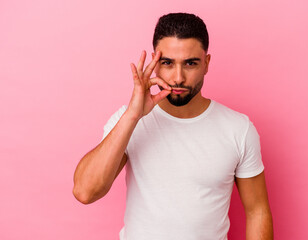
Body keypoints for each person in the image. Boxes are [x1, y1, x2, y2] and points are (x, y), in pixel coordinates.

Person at [73, 12, 273, 240]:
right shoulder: (129, 120)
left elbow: (257, 211)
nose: (178, 78)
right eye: (168, 63)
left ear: (206, 63)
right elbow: (85, 191)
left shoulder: (238, 129)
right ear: (155, 63)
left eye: (190, 63)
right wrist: (133, 115)